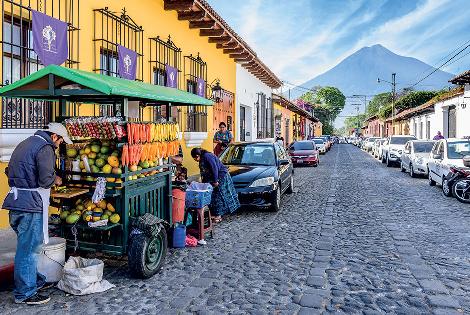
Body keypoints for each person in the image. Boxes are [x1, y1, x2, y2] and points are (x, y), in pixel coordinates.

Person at [2, 123, 72, 305]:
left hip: (15, 203)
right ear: (55, 137)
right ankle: (25, 293)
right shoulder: (45, 148)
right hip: (29, 206)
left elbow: (8, 170)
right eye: (61, 141)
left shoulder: (26, 142)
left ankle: (36, 280)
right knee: (28, 251)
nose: (60, 145)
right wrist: (56, 179)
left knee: (27, 247)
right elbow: (45, 180)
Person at [191, 148, 240, 223]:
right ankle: (215, 214)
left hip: (221, 177)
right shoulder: (203, 158)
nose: (195, 160)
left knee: (218, 196)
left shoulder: (207, 156)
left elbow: (214, 168)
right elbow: (204, 172)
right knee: (213, 196)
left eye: (195, 158)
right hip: (213, 178)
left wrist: (215, 180)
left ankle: (218, 216)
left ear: (197, 155)